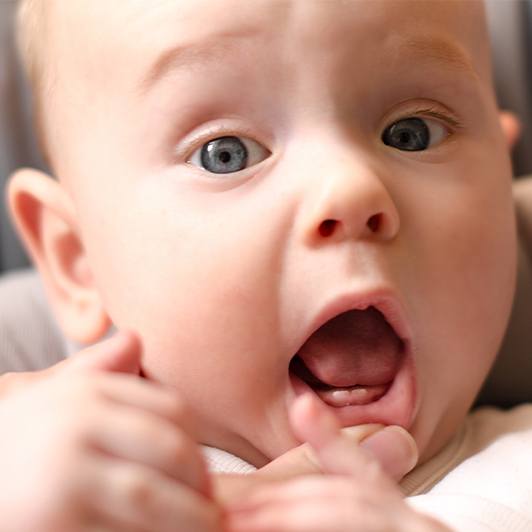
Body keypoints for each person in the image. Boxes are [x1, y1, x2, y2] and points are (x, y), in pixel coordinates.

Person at [2, 0, 531, 530]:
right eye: (225, 152)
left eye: (411, 133)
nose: (350, 187)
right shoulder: (66, 481)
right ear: (77, 257)